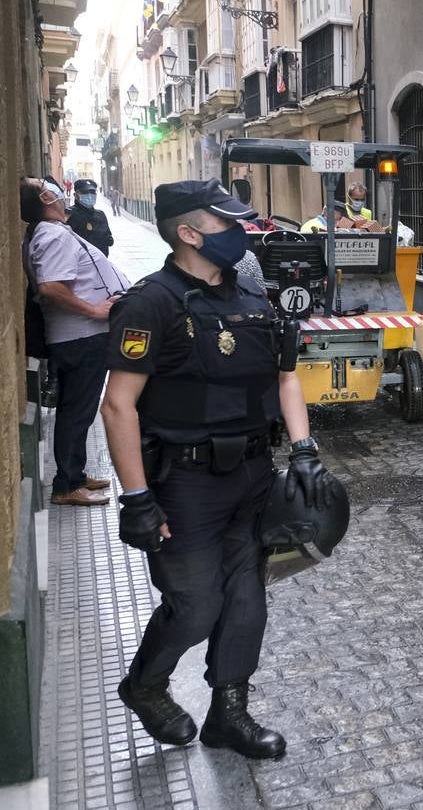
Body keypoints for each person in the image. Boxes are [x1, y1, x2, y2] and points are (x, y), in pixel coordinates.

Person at [100, 178, 338, 759]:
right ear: (188, 233)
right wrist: (136, 498)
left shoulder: (253, 297)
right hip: (184, 485)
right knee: (197, 606)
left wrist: (304, 451)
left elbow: (286, 380)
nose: (240, 234)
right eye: (226, 224)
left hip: (253, 478)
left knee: (246, 602)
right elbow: (117, 404)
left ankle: (229, 716)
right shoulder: (149, 303)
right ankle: (145, 685)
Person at [21, 176, 131, 506]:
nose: (56, 189)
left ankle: (76, 474)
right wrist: (95, 309)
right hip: (80, 336)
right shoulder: (51, 234)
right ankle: (66, 485)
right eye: (46, 185)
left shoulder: (51, 233)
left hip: (80, 335)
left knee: (78, 410)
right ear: (44, 197)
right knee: (76, 412)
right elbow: (51, 287)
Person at [69, 179, 115, 256]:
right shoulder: (69, 214)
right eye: (85, 192)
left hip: (101, 263)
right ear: (75, 195)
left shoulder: (100, 214)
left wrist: (107, 240)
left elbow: (109, 238)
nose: (90, 196)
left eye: (92, 192)